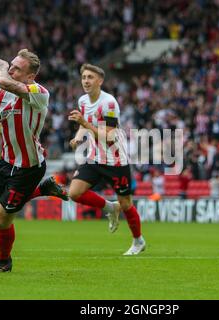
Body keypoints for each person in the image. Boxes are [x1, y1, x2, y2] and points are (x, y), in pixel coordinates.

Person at [0, 49, 68, 272]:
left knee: (1, 219)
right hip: (7, 162)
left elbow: (7, 83)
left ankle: (3, 260)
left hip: (28, 167)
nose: (12, 69)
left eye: (17, 68)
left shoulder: (39, 92)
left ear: (30, 76)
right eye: (11, 65)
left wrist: (4, 68)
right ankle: (43, 189)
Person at [68, 63, 146, 255]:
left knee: (126, 203)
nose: (86, 81)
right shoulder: (83, 101)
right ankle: (110, 207)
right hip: (95, 157)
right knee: (74, 193)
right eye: (84, 77)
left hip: (115, 160)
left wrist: (83, 123)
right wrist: (78, 136)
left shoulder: (108, 103)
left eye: (90, 77)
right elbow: (85, 125)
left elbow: (109, 135)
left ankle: (138, 241)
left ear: (100, 81)